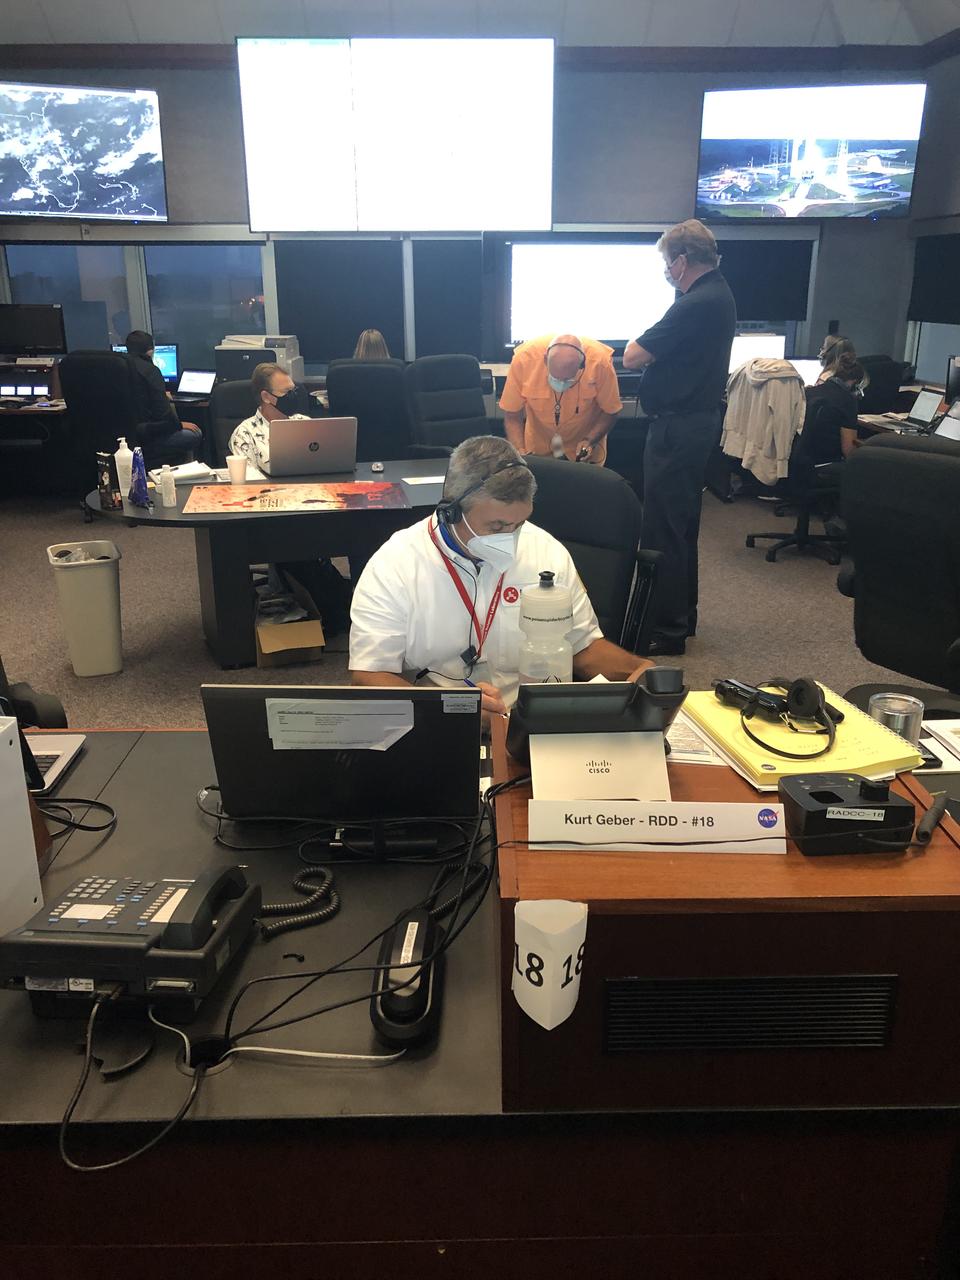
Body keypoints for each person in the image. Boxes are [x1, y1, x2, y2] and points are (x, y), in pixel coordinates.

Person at [349, 436, 652, 718]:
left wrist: (640, 670)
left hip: (533, 723)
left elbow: (582, 646)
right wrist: (454, 711)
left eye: (519, 524)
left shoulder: (545, 551)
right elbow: (369, 675)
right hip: (437, 722)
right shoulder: (396, 564)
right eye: (496, 527)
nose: (510, 537)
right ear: (451, 512)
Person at [622, 219, 737, 656]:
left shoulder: (694, 303)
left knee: (663, 529)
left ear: (682, 260)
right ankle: (680, 620)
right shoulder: (718, 293)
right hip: (695, 423)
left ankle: (665, 630)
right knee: (681, 526)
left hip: (678, 427)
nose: (667, 271)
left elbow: (633, 356)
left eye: (667, 264)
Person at [499, 334, 622, 464]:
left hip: (582, 451)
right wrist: (519, 451)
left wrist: (590, 440)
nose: (561, 384)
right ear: (545, 360)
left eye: (567, 379)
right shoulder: (524, 360)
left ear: (582, 365)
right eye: (555, 378)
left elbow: (611, 411)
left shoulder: (600, 363)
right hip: (537, 449)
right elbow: (512, 414)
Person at [124, 330, 203, 465]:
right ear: (150, 351)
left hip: (123, 436)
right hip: (146, 436)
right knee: (195, 434)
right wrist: (179, 425)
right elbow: (165, 418)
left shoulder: (119, 368)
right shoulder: (150, 371)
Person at [794, 352, 866, 488]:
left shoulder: (809, 392)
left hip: (797, 457)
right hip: (825, 461)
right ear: (855, 383)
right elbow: (848, 449)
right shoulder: (848, 400)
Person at [228, 362, 314, 472]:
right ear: (266, 397)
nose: (293, 396)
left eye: (294, 390)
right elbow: (248, 480)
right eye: (286, 392)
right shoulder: (244, 434)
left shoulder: (306, 424)